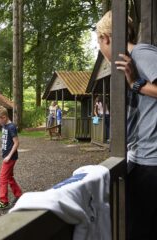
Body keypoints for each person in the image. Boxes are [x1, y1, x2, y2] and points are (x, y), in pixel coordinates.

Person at [96, 10, 157, 239]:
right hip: (142, 160)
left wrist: (136, 83)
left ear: (106, 38)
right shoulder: (131, 62)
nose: (101, 50)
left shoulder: (142, 54)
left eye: (99, 43)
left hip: (152, 163)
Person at [0, 106, 22, 210]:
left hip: (10, 158)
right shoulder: (4, 126)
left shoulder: (11, 127)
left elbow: (16, 143)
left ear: (4, 117)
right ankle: (18, 195)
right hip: (7, 156)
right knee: (9, 177)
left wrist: (9, 156)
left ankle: (3, 201)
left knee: (3, 178)